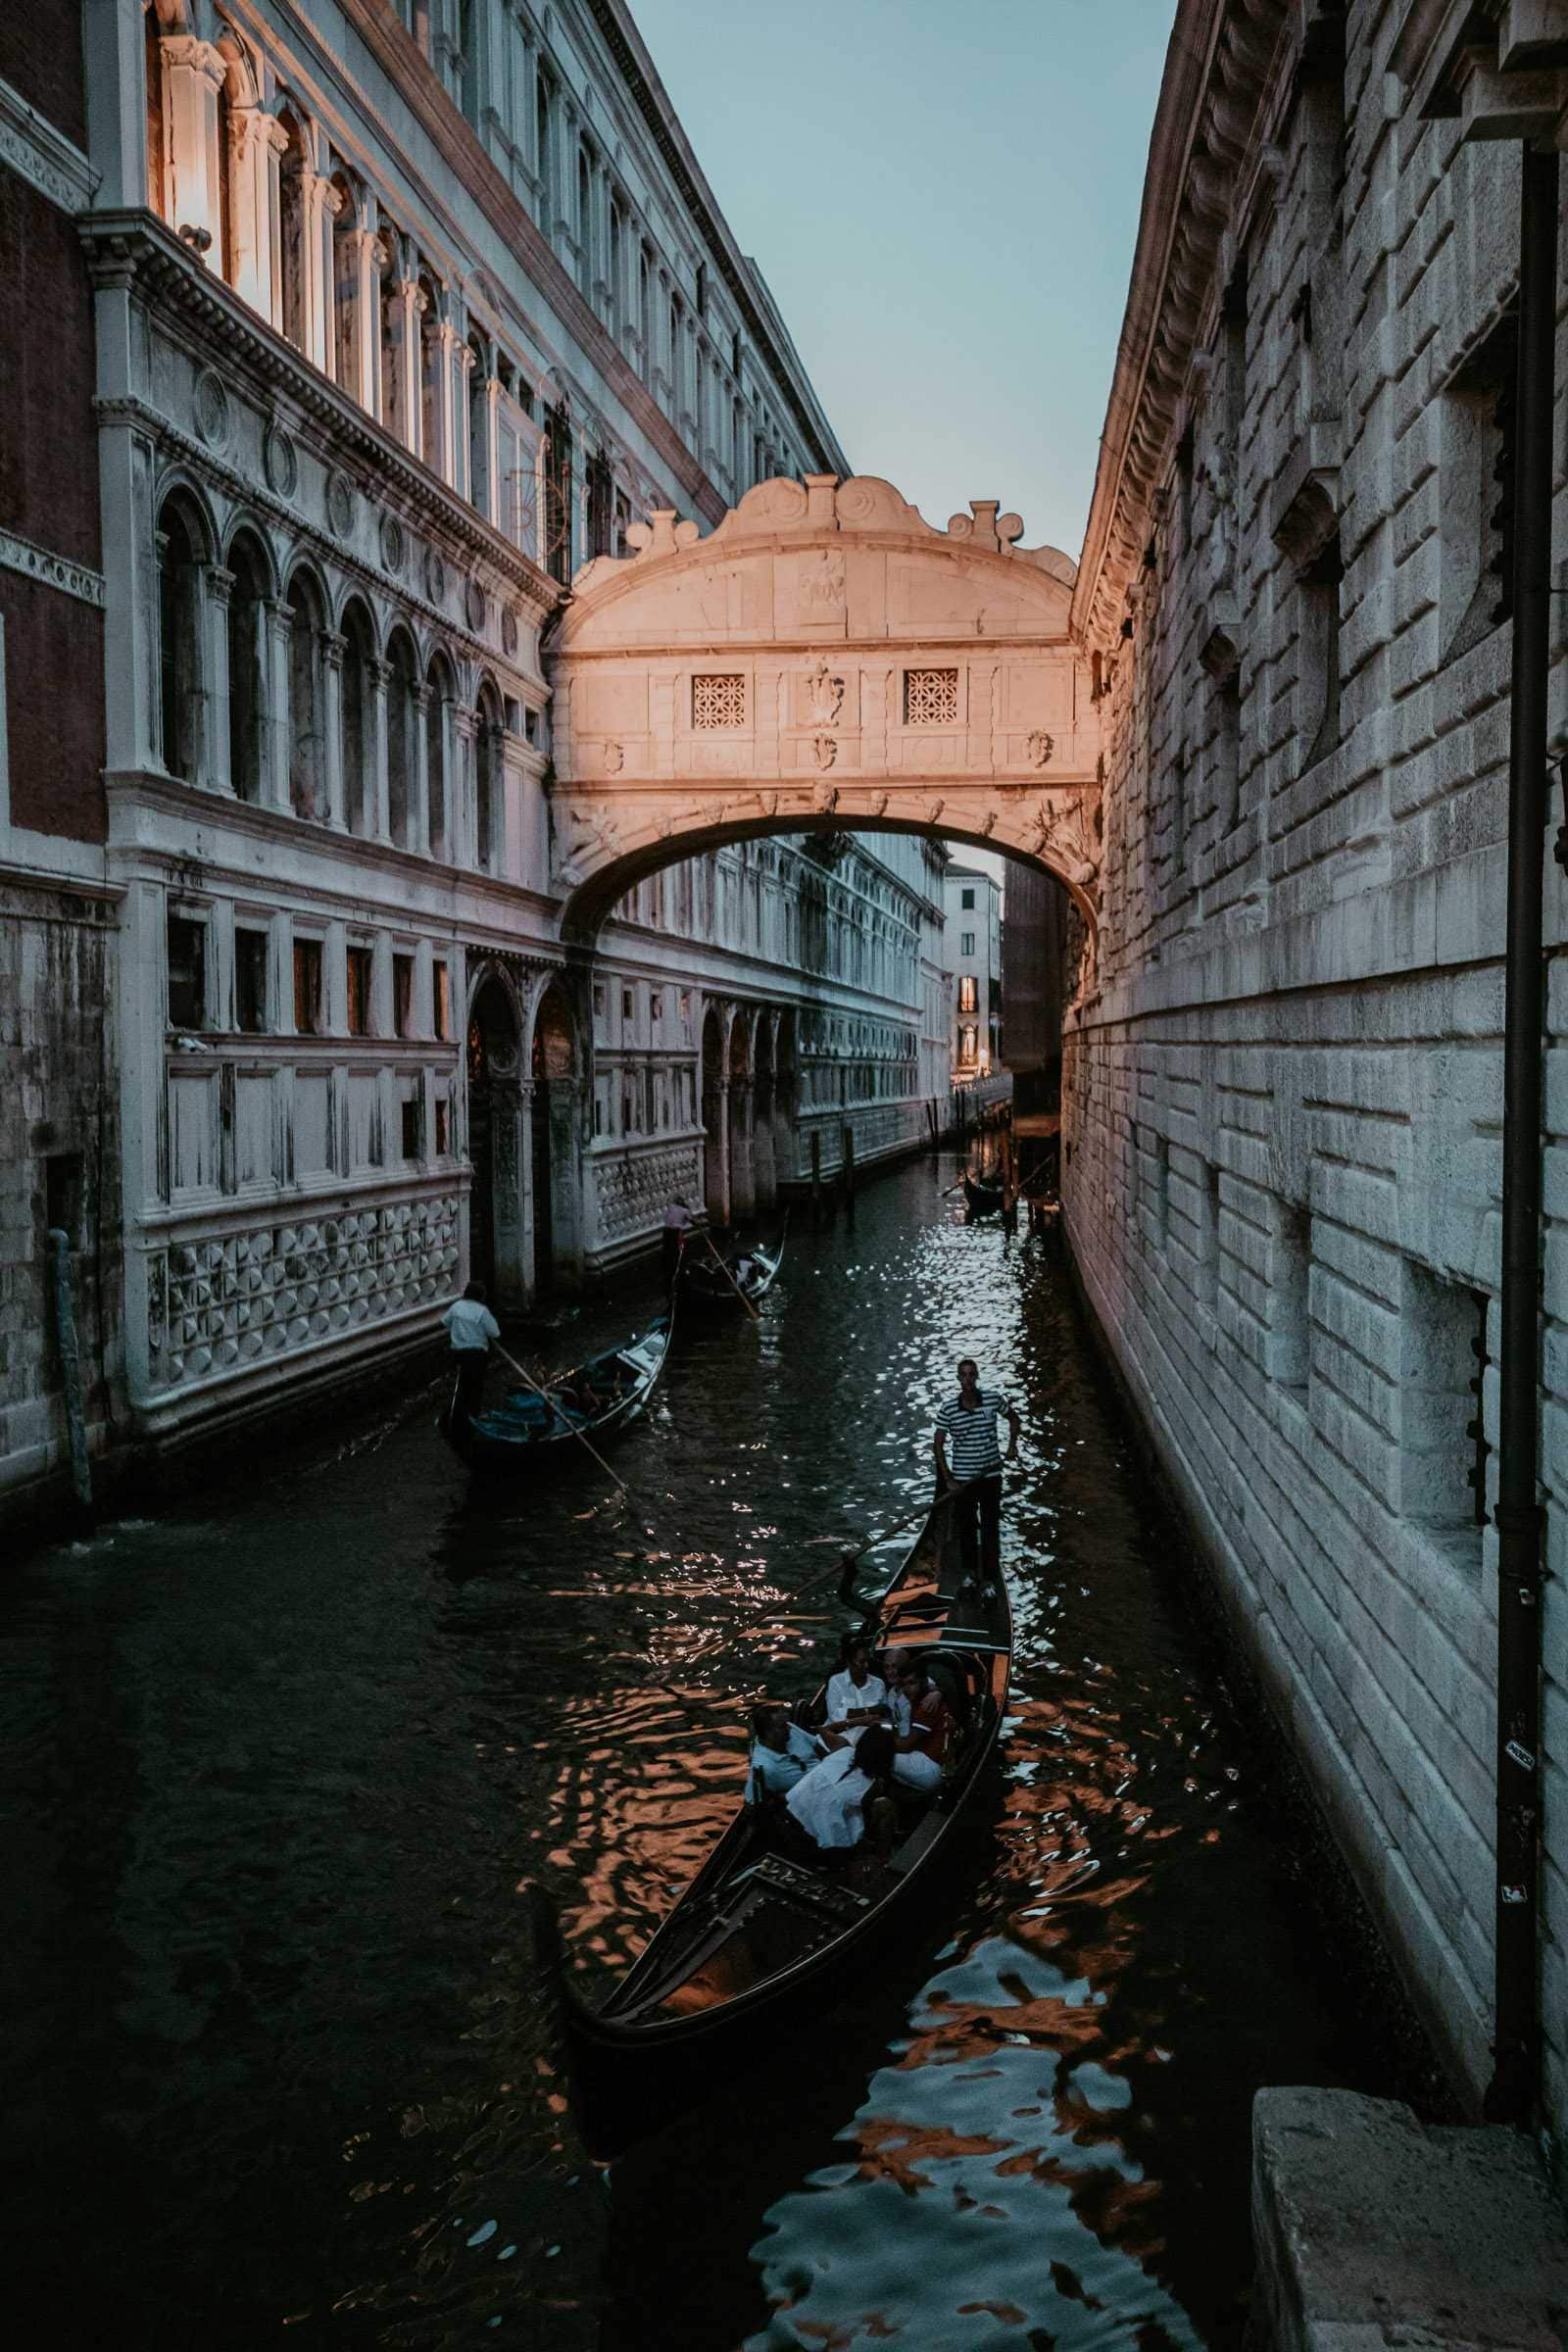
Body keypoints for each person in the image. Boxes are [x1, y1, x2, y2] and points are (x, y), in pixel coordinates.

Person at [934, 1356, 1020, 1591]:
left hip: (991, 1476)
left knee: (991, 1527)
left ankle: (990, 1578)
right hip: (964, 1480)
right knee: (967, 1527)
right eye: (964, 1375)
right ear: (958, 1378)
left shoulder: (992, 1399)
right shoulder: (949, 1409)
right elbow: (938, 1445)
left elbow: (1014, 1418)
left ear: (977, 1376)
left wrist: (1012, 1445)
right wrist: (949, 1479)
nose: (968, 1379)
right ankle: (971, 1573)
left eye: (972, 1374)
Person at [786, 1725, 898, 1856]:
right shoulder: (871, 1786)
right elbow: (866, 1810)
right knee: (886, 1806)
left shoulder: (843, 1749)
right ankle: (882, 1858)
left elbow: (824, 1730)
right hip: (821, 1842)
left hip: (790, 1819)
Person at [441, 1278, 501, 1445]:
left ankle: (457, 1417)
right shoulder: (482, 1311)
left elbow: (445, 1322)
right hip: (477, 1354)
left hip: (459, 1353)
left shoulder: (456, 1307)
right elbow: (495, 1333)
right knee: (476, 1386)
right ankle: (471, 1418)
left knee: (462, 1384)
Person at [890, 1657, 957, 1794]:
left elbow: (906, 1744)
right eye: (904, 1685)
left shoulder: (926, 1706)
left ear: (924, 1682)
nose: (908, 1689)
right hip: (926, 1761)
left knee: (876, 1755)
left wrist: (876, 1741)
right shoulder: (919, 1699)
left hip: (931, 1767)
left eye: (912, 1683)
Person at [747, 1704, 819, 1804]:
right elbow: (752, 1803)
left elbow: (818, 1746)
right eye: (782, 1727)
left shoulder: (790, 1730)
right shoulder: (764, 1766)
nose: (789, 1728)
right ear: (768, 1733)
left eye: (787, 1724)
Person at [824, 1635, 888, 1728]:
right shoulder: (836, 1682)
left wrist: (849, 1714)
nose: (866, 1666)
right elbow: (835, 1716)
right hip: (839, 1735)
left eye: (867, 1661)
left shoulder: (879, 1684)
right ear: (849, 1663)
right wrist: (869, 1711)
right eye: (861, 1662)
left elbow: (884, 1713)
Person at [662, 1197, 695, 1294]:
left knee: (669, 1253)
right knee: (679, 1252)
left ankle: (670, 1269)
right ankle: (678, 1272)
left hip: (666, 1233)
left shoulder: (671, 1208)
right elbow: (692, 1220)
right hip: (675, 1233)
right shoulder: (685, 1210)